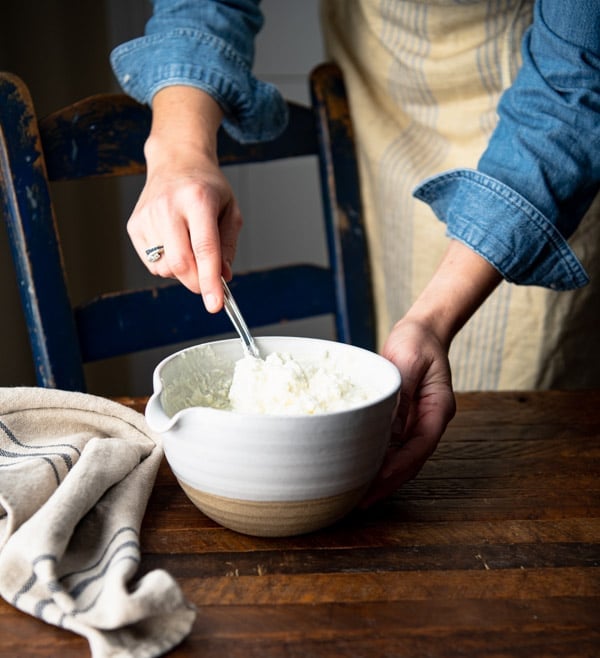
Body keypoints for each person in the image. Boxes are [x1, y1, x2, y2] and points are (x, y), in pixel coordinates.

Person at [110, 0, 600, 504]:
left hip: (535, 129)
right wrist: (179, 151)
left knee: (510, 421)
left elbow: (574, 85)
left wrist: (431, 321)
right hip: (384, 88)